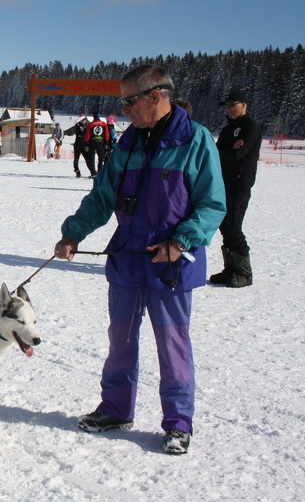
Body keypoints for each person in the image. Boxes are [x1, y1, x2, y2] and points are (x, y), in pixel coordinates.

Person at [53, 64, 226, 455]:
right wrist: (73, 233)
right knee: (121, 341)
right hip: (127, 261)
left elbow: (213, 205)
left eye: (129, 101)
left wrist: (181, 242)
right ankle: (116, 409)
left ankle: (178, 423)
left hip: (171, 268)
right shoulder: (127, 144)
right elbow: (102, 197)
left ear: (155, 96)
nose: (124, 109)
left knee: (172, 345)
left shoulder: (196, 141)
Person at [210, 90, 261, 288]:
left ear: (244, 104)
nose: (229, 109)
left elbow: (238, 155)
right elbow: (217, 152)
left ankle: (243, 273)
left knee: (233, 226)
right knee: (224, 225)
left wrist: (230, 150)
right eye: (227, 105)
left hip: (240, 183)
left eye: (233, 105)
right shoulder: (227, 130)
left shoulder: (251, 127)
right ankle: (230, 269)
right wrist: (229, 149)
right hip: (224, 181)